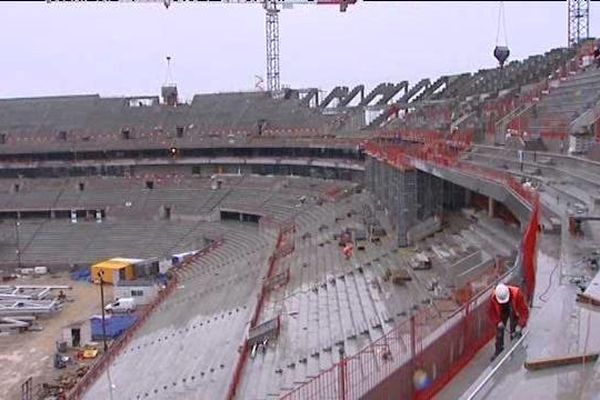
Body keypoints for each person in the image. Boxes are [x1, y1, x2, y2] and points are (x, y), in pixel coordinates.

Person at [489, 283, 529, 361]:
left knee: (515, 330)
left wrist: (520, 325)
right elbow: (492, 313)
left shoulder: (517, 294)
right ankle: (499, 351)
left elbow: (524, 312)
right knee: (499, 332)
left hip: (513, 308)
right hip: (502, 310)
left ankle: (517, 348)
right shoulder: (494, 297)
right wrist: (498, 322)